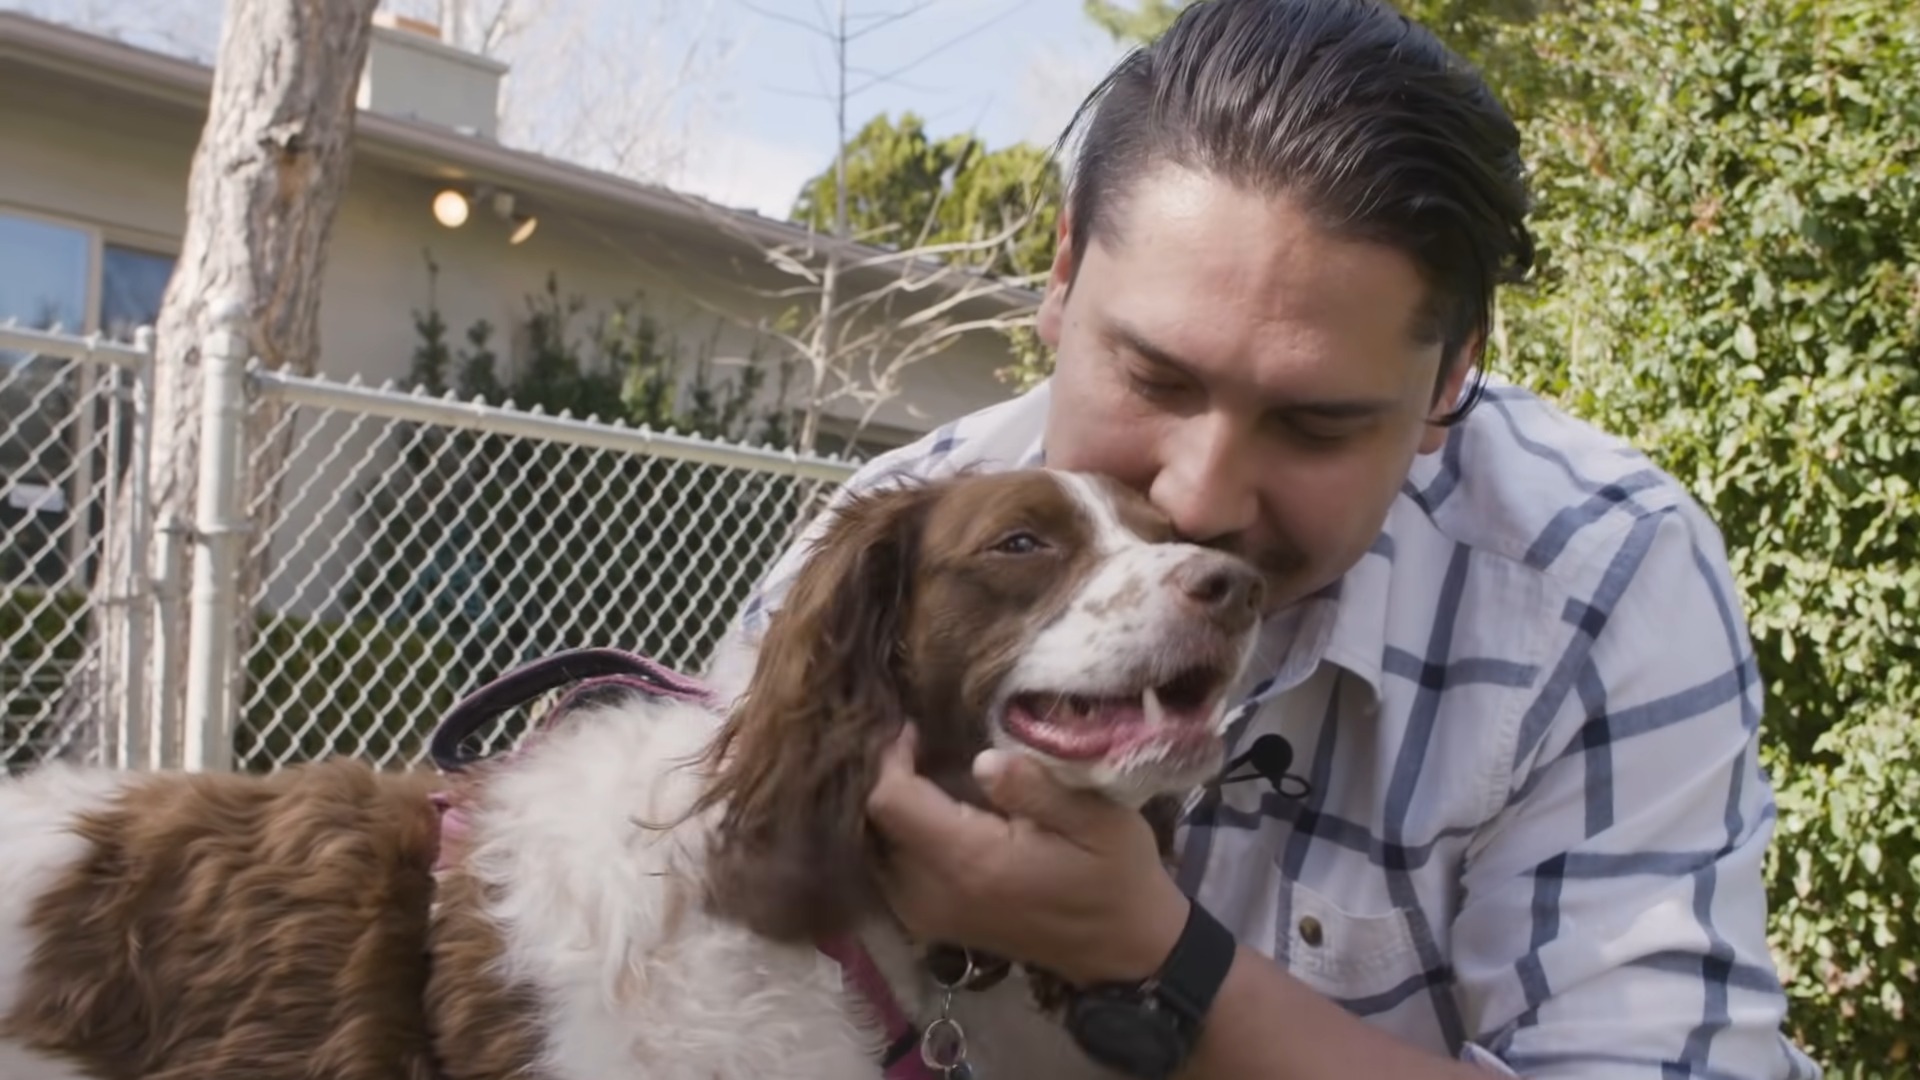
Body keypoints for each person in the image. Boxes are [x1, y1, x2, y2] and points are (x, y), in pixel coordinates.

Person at [706, 0, 1820, 1076]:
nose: (1199, 502)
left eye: (1314, 423)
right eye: (1153, 377)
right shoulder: (897, 548)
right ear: (1061, 277)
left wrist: (1156, 958)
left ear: (1452, 378)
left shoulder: (1603, 584)